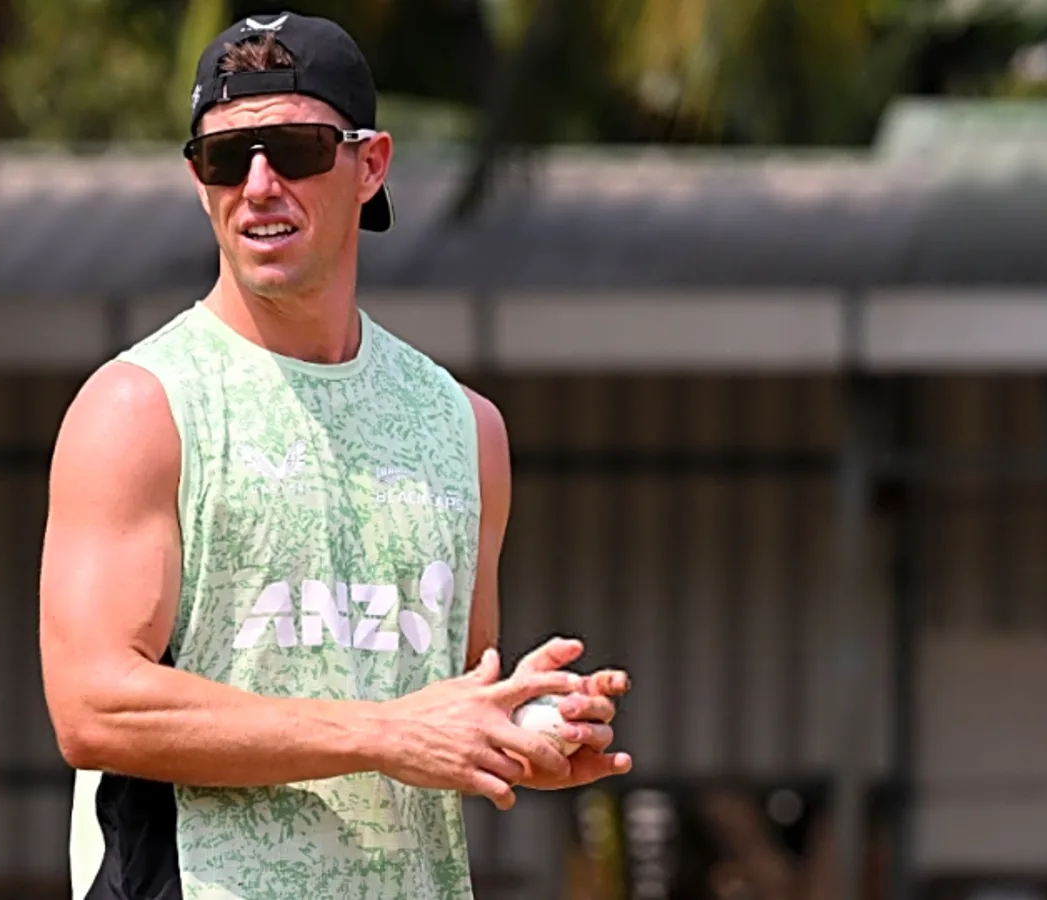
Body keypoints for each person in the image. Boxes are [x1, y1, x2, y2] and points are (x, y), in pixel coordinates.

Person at [39, 11, 633, 899]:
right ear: (198, 181)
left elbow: (433, 701)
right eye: (226, 159)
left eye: (299, 149)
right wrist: (386, 733)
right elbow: (95, 705)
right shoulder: (141, 406)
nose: (260, 184)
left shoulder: (465, 428)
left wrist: (516, 730)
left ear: (372, 165)